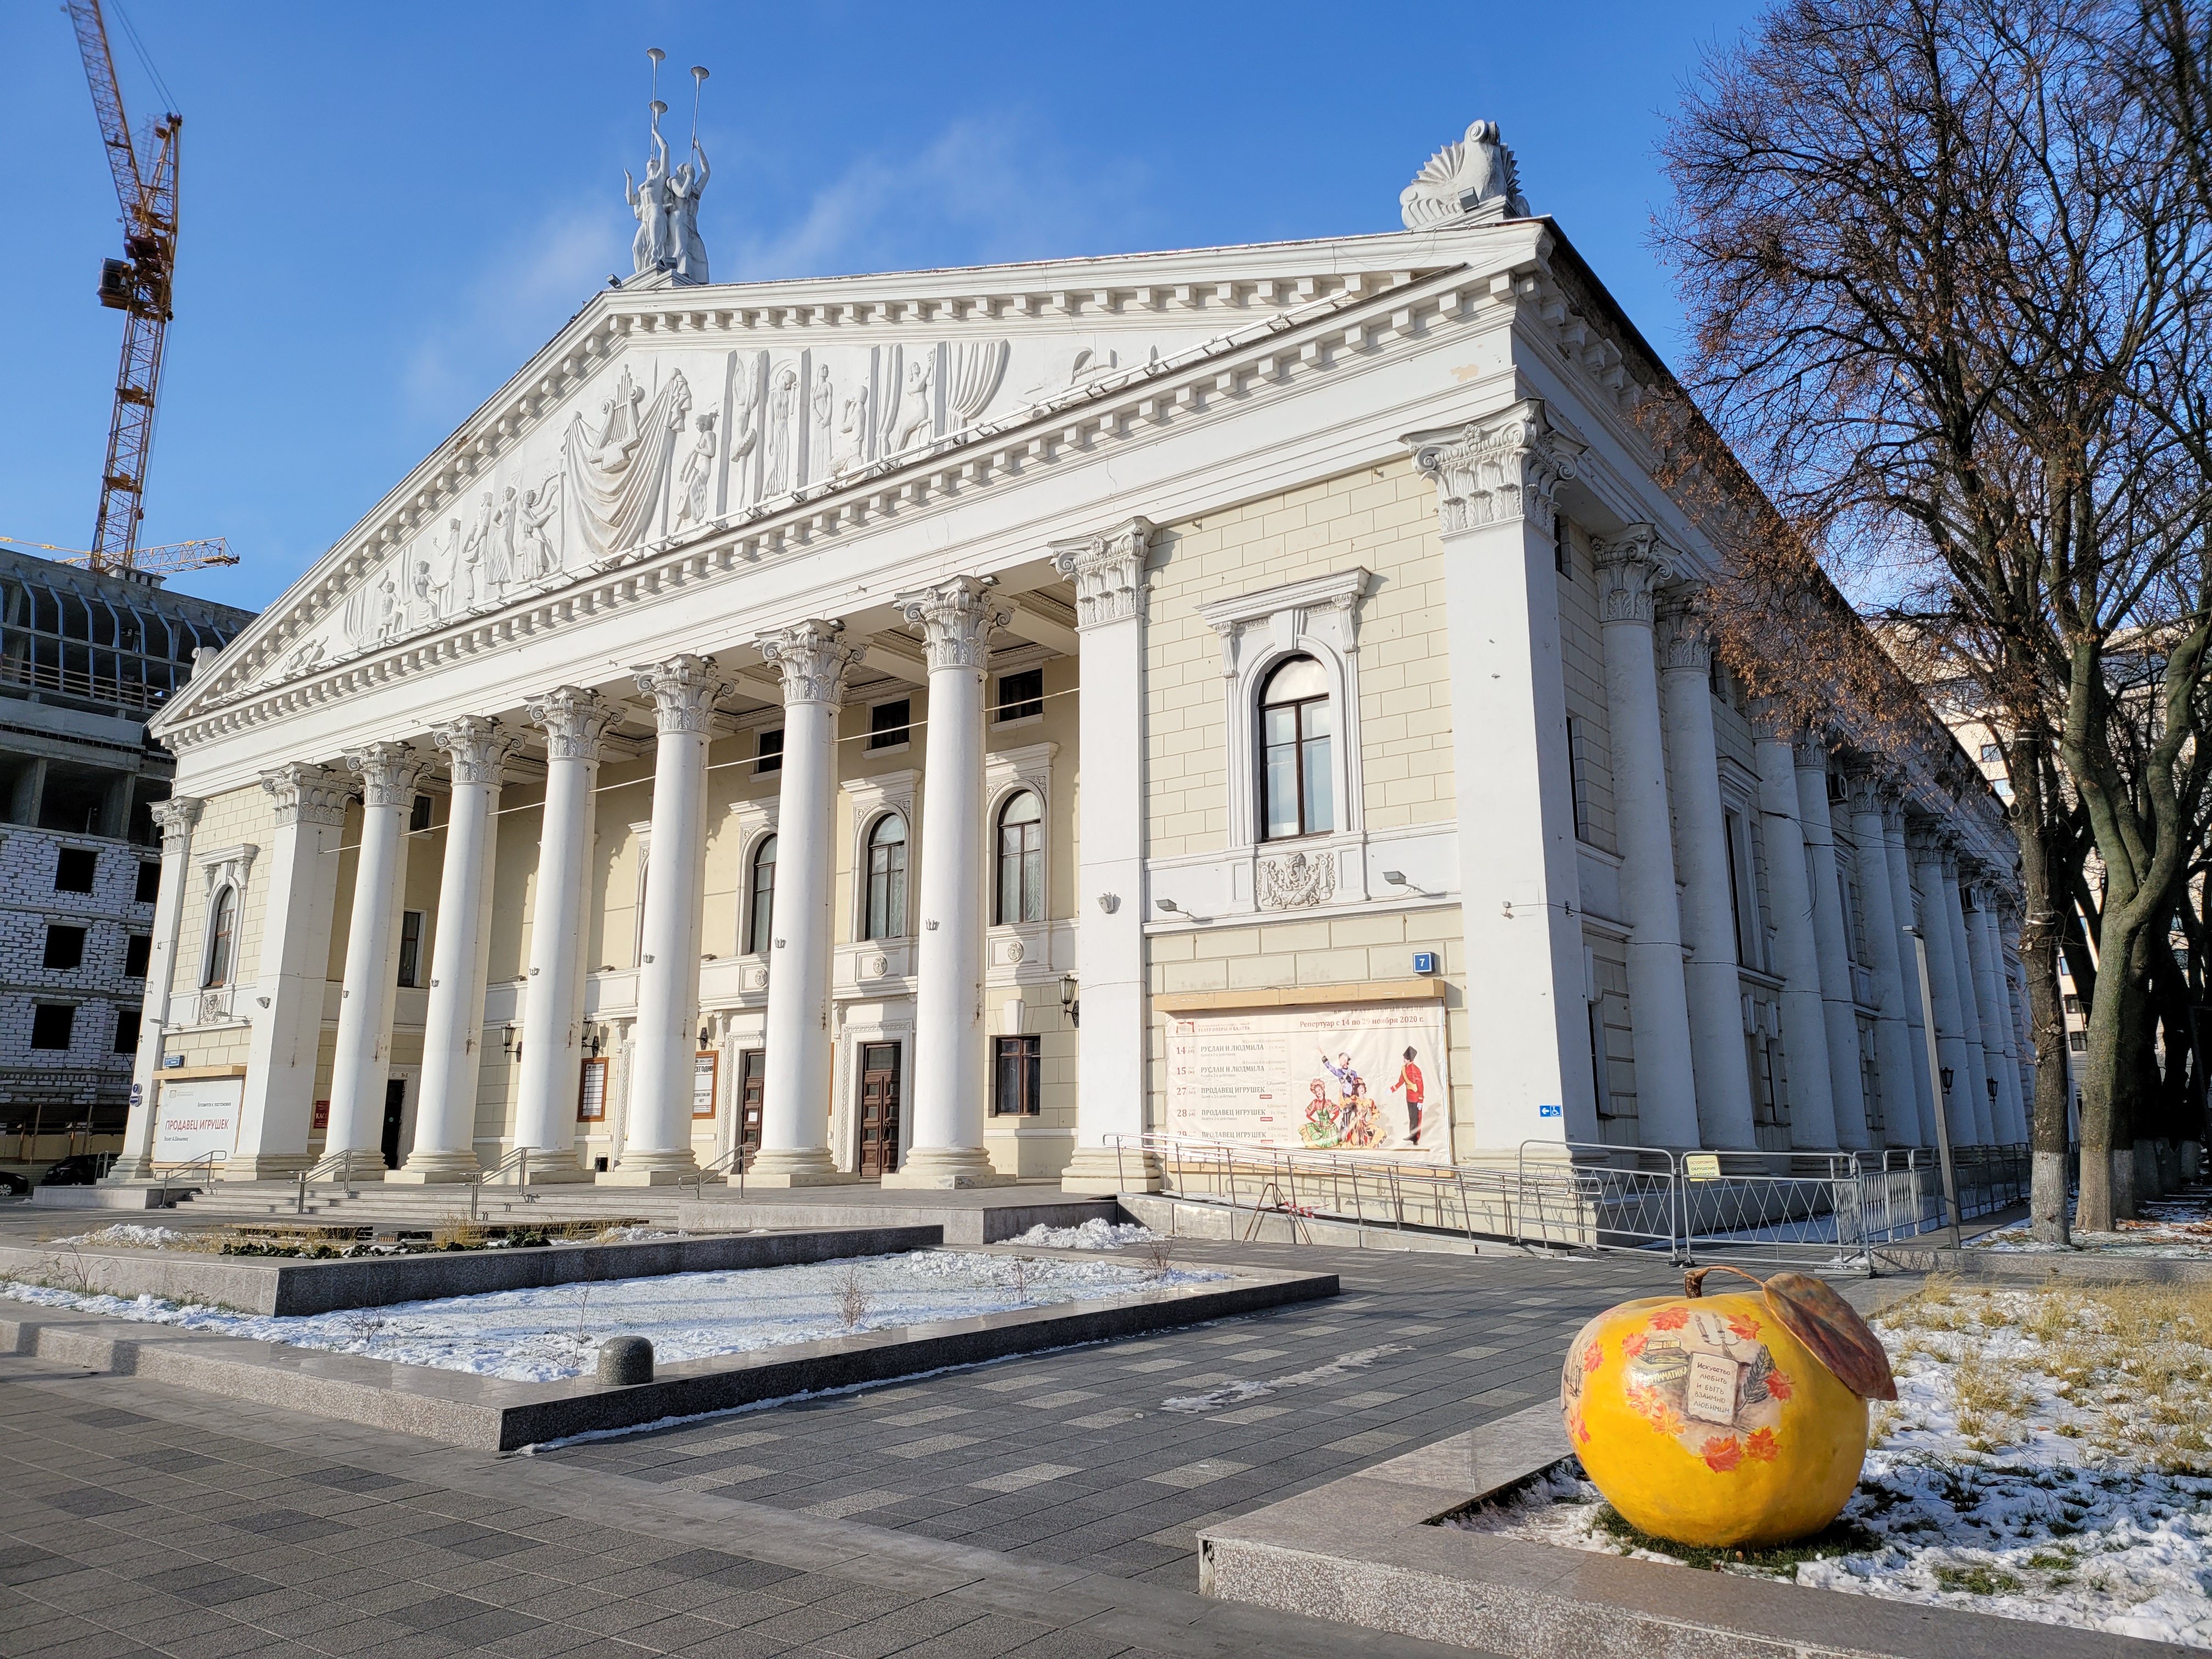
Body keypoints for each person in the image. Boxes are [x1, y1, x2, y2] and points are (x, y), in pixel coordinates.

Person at [1389, 1046, 1427, 1143]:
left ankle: (1416, 1138)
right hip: (1409, 1097)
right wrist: (1392, 1089)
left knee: (1416, 1118)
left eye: (1405, 1058)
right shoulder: (1404, 1069)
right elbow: (1401, 1082)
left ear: (1409, 1059)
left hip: (1416, 1098)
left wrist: (1421, 1099)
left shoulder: (1416, 1070)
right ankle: (1412, 1135)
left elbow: (1420, 1085)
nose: (1403, 1060)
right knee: (1412, 1117)